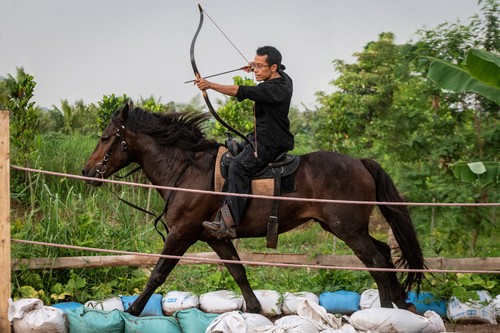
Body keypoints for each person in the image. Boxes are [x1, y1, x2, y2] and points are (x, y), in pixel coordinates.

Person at [195, 45, 294, 239]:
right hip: (261, 137)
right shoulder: (283, 78)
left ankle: (228, 224)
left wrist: (210, 85)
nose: (255, 70)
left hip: (270, 143)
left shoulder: (272, 89)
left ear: (273, 67)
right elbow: (271, 72)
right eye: (254, 65)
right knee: (230, 155)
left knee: (238, 167)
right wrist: (256, 66)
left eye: (260, 66)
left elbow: (241, 91)